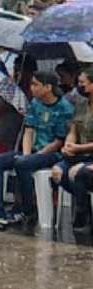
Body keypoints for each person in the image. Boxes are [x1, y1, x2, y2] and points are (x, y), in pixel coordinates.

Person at [0, 72, 72, 225]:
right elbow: (29, 131)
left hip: (53, 153)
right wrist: (27, 154)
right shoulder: (35, 103)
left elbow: (59, 141)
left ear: (48, 87)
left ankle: (25, 208)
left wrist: (34, 156)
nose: (31, 88)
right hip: (34, 151)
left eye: (35, 84)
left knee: (22, 163)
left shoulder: (64, 107)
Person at [55, 68, 93, 233]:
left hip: (89, 154)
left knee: (77, 173)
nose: (79, 86)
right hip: (78, 153)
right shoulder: (81, 105)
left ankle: (82, 211)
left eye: (83, 83)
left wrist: (79, 148)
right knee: (58, 172)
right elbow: (73, 129)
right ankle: (83, 200)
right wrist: (69, 144)